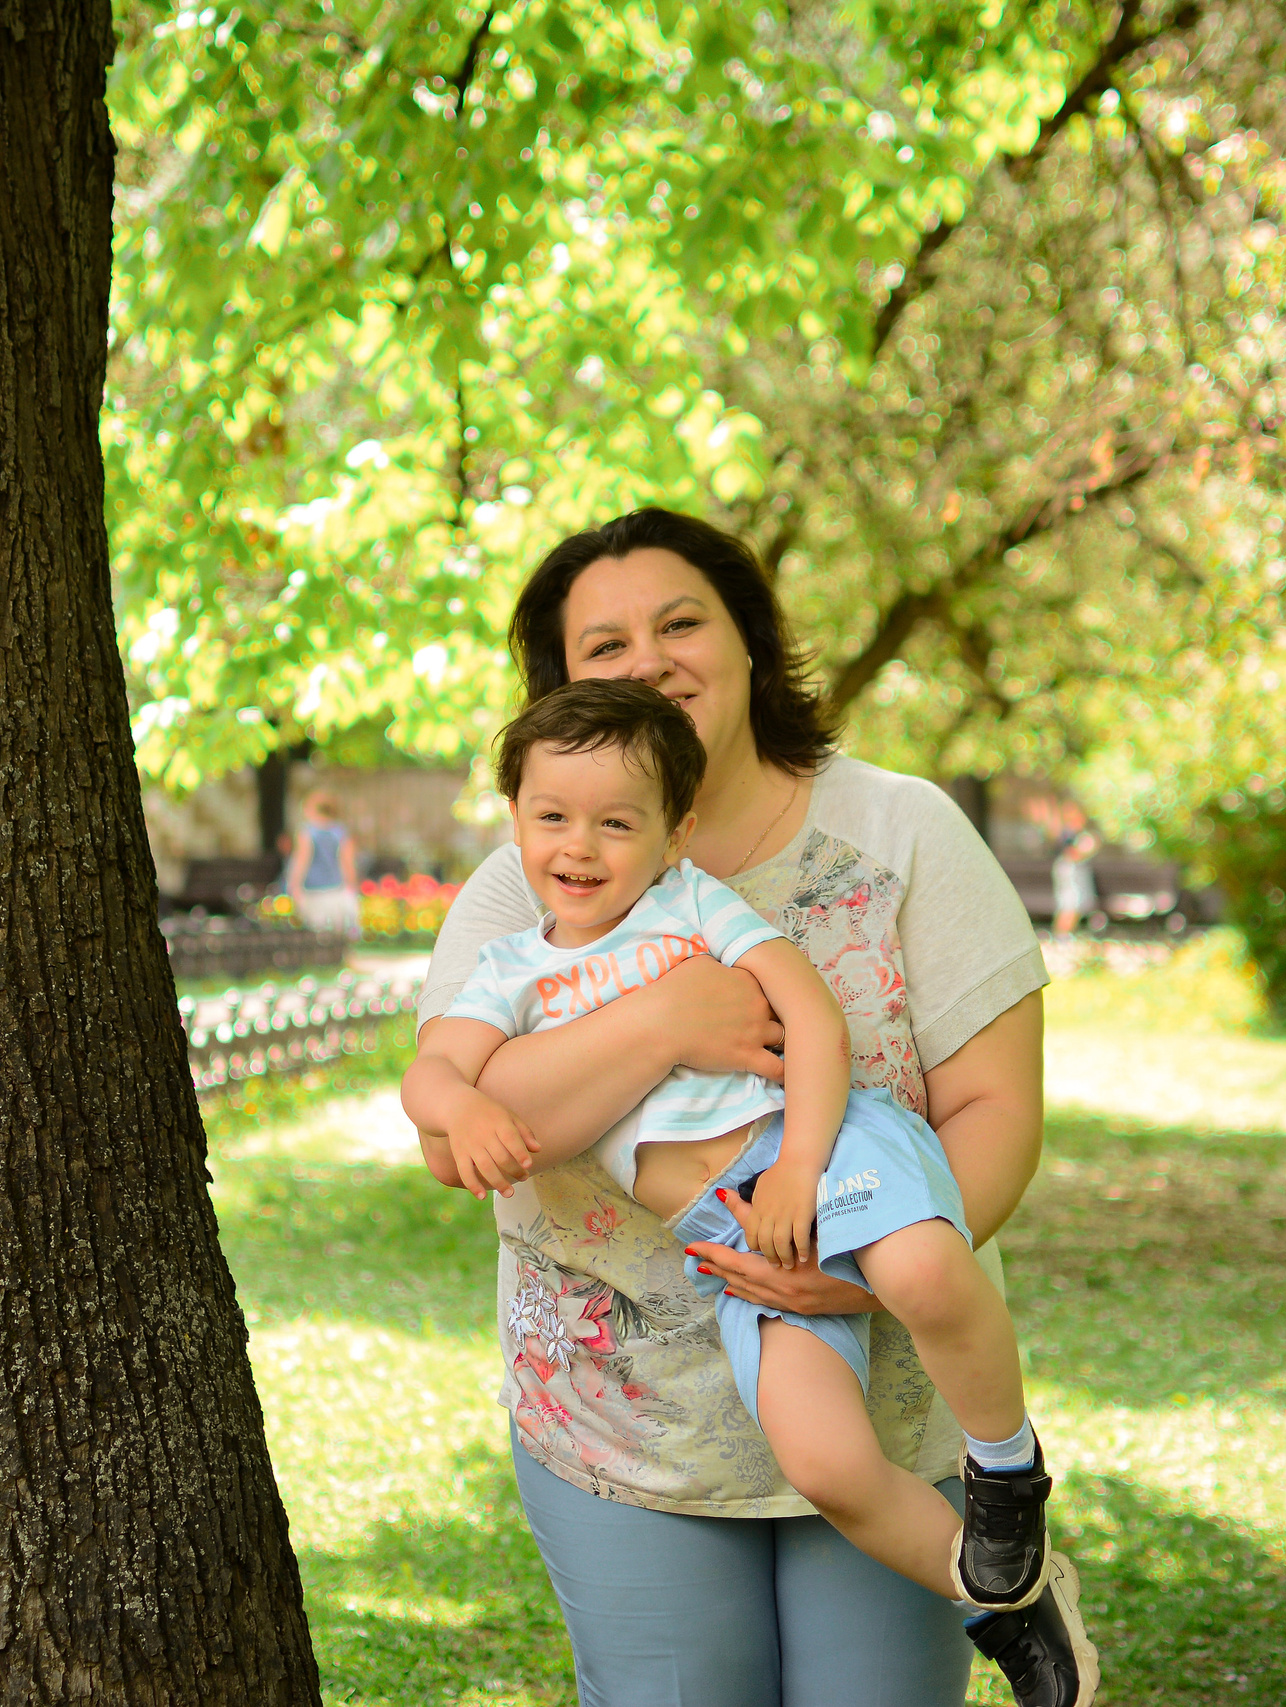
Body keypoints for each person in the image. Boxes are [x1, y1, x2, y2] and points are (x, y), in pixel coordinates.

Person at [412, 507, 1094, 1706]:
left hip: (875, 1373)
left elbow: (991, 1104)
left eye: (681, 623)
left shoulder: (899, 831)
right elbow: (474, 1108)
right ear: (559, 694)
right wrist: (664, 1024)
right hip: (625, 1419)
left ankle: (1012, 1574)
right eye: (603, 646)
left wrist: (865, 1267)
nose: (651, 660)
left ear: (747, 643)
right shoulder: (527, 881)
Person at [284, 789, 362, 940]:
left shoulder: (307, 832)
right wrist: (352, 886)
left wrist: (293, 885)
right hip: (336, 889)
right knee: (337, 933)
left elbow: (301, 861)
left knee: (318, 934)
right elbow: (347, 862)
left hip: (314, 891)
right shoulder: (340, 832)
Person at [1049, 804, 1099, 941]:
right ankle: (1061, 935)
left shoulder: (1076, 833)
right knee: (1070, 903)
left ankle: (1066, 934)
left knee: (1075, 903)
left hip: (1074, 870)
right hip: (1070, 870)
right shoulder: (1069, 834)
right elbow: (1071, 853)